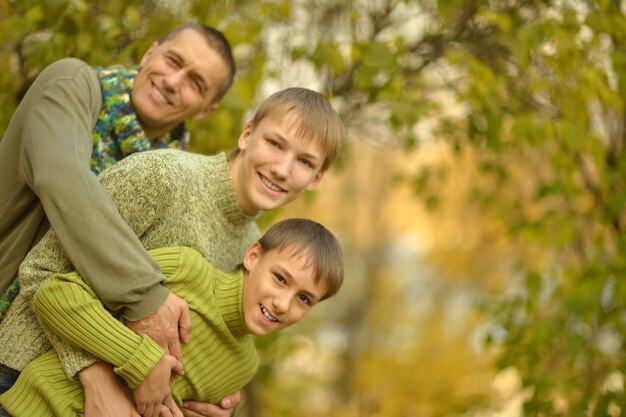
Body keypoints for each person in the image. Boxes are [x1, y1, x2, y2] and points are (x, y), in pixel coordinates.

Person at [0, 87, 344, 417]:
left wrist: (212, 402)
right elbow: (41, 272)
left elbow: (182, 363)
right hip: (18, 378)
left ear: (316, 178)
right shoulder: (160, 177)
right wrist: (96, 377)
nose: (282, 169)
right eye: (274, 143)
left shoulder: (256, 252)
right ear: (246, 135)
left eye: (303, 161)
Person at [0, 218, 344, 417]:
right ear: (254, 256)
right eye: (280, 278)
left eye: (303, 298)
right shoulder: (187, 271)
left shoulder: (244, 365)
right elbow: (56, 293)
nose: (283, 303)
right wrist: (141, 359)